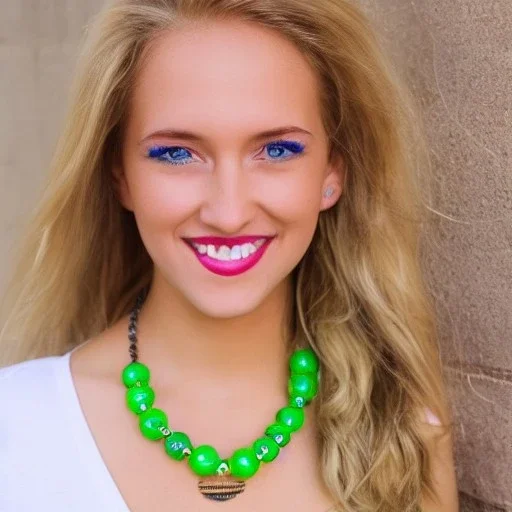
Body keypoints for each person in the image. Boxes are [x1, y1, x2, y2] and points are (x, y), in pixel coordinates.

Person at [0, 0, 459, 510]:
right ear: (120, 176)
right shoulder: (14, 427)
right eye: (176, 153)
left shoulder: (406, 440)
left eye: (278, 150)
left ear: (333, 173)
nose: (229, 211)